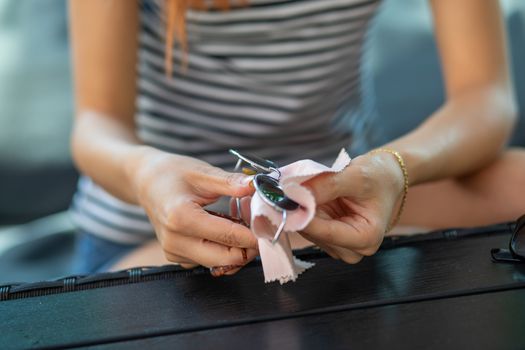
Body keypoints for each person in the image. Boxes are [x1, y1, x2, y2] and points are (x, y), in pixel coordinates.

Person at [69, 0, 524, 274]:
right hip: (155, 230)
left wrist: (392, 167)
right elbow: (97, 124)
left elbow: (484, 98)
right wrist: (147, 173)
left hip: (350, 197)